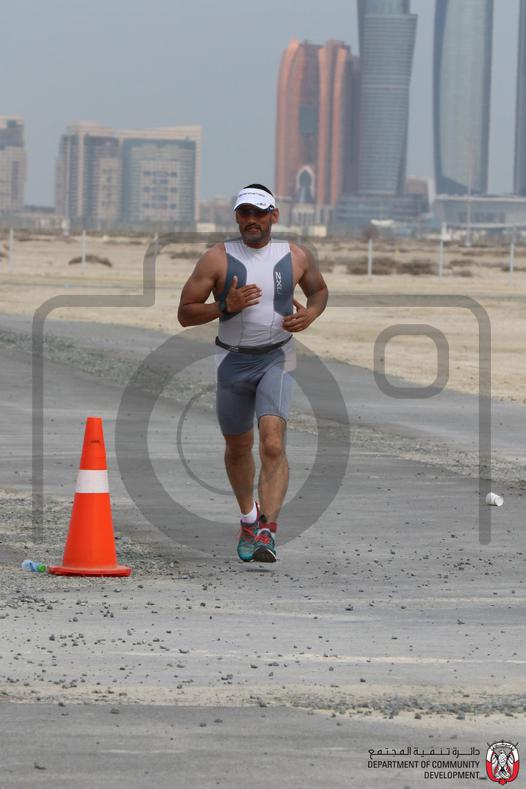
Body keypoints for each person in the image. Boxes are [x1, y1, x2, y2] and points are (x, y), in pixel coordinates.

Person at [178, 184, 328, 562]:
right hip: (231, 362)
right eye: (245, 213)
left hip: (276, 358)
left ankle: (267, 531)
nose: (252, 220)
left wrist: (310, 315)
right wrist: (223, 306)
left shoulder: (295, 256)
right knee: (238, 447)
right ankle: (248, 518)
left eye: (260, 213)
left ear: (274, 215)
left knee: (273, 443)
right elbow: (185, 313)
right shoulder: (216, 259)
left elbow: (319, 291)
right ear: (236, 217)